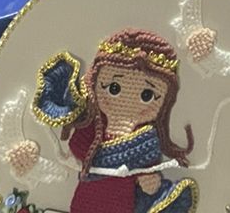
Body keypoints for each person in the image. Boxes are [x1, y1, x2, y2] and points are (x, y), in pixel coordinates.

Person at [35, 30, 198, 213]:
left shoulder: (147, 140)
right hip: (88, 199)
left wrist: (148, 179)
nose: (129, 100)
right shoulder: (95, 126)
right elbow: (78, 146)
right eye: (114, 88)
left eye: (147, 95)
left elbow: (148, 174)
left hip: (122, 202)